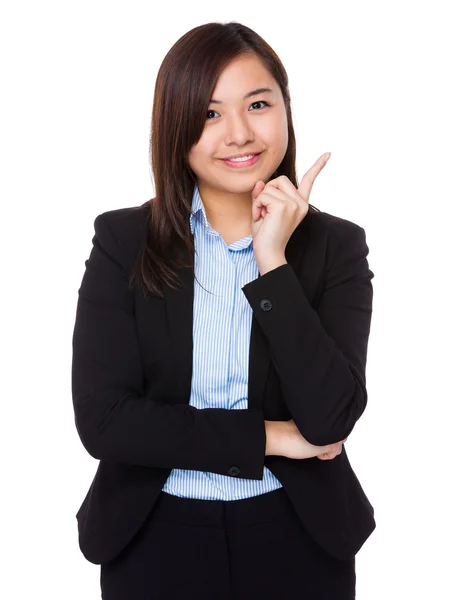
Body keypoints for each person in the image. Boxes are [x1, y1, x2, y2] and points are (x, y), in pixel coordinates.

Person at [71, 21, 376, 600]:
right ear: (175, 127)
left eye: (257, 104)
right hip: (153, 537)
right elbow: (106, 421)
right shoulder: (123, 241)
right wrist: (266, 437)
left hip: (298, 535)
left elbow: (331, 419)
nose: (238, 133)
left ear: (286, 109)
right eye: (210, 114)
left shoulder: (337, 246)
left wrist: (272, 263)